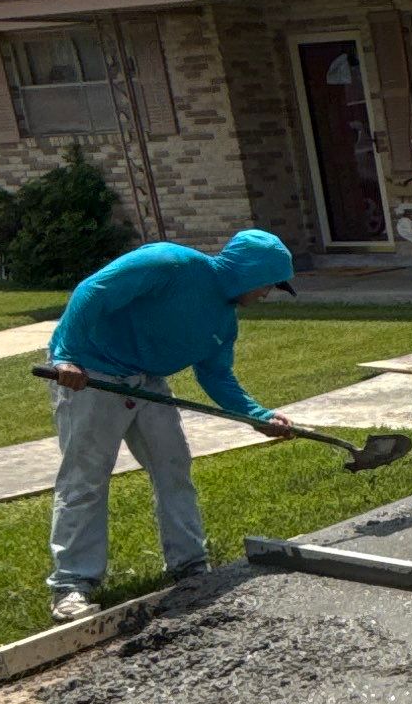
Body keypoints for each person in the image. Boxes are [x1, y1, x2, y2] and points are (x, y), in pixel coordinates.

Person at [43, 229, 301, 616]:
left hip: (147, 381)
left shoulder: (223, 323)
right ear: (249, 272)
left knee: (173, 467)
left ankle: (189, 565)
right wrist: (67, 356)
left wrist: (258, 416)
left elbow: (216, 376)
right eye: (269, 284)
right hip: (91, 373)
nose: (267, 293)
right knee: (85, 478)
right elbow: (92, 292)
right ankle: (71, 584)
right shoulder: (169, 263)